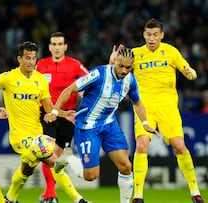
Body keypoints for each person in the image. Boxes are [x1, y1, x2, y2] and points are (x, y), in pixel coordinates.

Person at [0, 41, 90, 203]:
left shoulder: (41, 80)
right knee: (54, 162)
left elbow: (48, 107)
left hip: (38, 133)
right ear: (19, 59)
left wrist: (64, 114)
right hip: (19, 136)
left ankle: (10, 198)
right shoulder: (8, 78)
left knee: (27, 170)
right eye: (27, 58)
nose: (31, 62)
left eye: (33, 58)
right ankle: (78, 199)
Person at [46, 48, 158, 203]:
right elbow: (71, 89)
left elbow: (137, 102)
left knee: (126, 166)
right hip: (88, 126)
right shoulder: (99, 74)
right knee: (91, 176)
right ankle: (68, 157)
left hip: (109, 124)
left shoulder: (130, 80)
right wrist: (54, 111)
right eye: (121, 66)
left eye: (128, 67)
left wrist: (145, 122)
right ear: (115, 62)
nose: (124, 70)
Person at [121, 18, 204, 203]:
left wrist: (191, 72)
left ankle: (195, 192)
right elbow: (118, 73)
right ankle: (138, 196)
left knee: (179, 146)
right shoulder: (134, 54)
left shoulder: (171, 51)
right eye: (148, 34)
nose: (151, 38)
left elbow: (189, 69)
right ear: (144, 35)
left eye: (155, 35)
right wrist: (114, 63)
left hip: (168, 107)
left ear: (162, 35)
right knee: (142, 144)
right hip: (144, 107)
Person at [36, 31, 88, 203]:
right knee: (47, 153)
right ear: (49, 47)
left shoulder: (75, 65)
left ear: (65, 46)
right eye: (54, 44)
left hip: (68, 117)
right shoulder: (41, 65)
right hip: (48, 115)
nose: (57, 48)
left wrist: (84, 92)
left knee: (57, 158)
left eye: (60, 44)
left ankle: (47, 194)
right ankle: (51, 195)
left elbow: (89, 82)